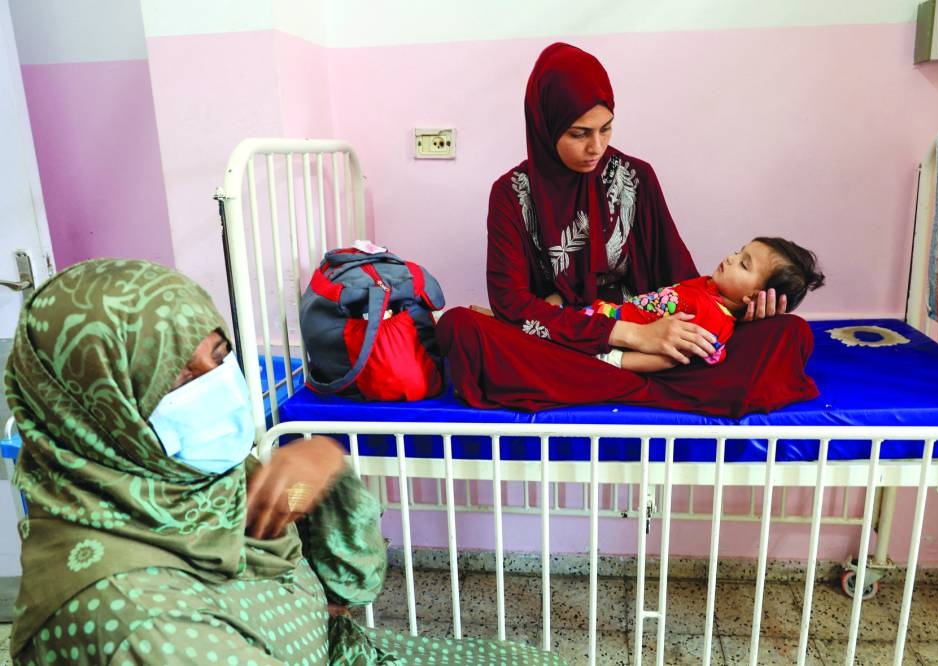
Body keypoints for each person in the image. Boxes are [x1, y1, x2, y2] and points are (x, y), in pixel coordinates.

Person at [4, 259, 565, 665]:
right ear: (99, 411)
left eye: (219, 356)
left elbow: (344, 586)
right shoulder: (137, 623)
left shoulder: (194, 483)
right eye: (177, 375)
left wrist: (326, 469)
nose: (218, 387)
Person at [436, 42, 820, 417]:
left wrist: (737, 312)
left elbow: (681, 284)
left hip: (647, 335)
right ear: (544, 124)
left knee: (791, 334)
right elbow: (515, 305)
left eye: (606, 129)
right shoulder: (510, 196)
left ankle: (612, 382)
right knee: (461, 328)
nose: (596, 147)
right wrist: (630, 336)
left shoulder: (635, 179)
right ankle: (640, 383)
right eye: (579, 133)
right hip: (564, 339)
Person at [574, 237, 825, 372]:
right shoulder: (709, 287)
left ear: (753, 297)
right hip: (608, 313)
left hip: (612, 339)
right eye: (739, 251)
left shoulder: (714, 321)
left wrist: (617, 360)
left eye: (744, 264)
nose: (731, 257)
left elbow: (668, 359)